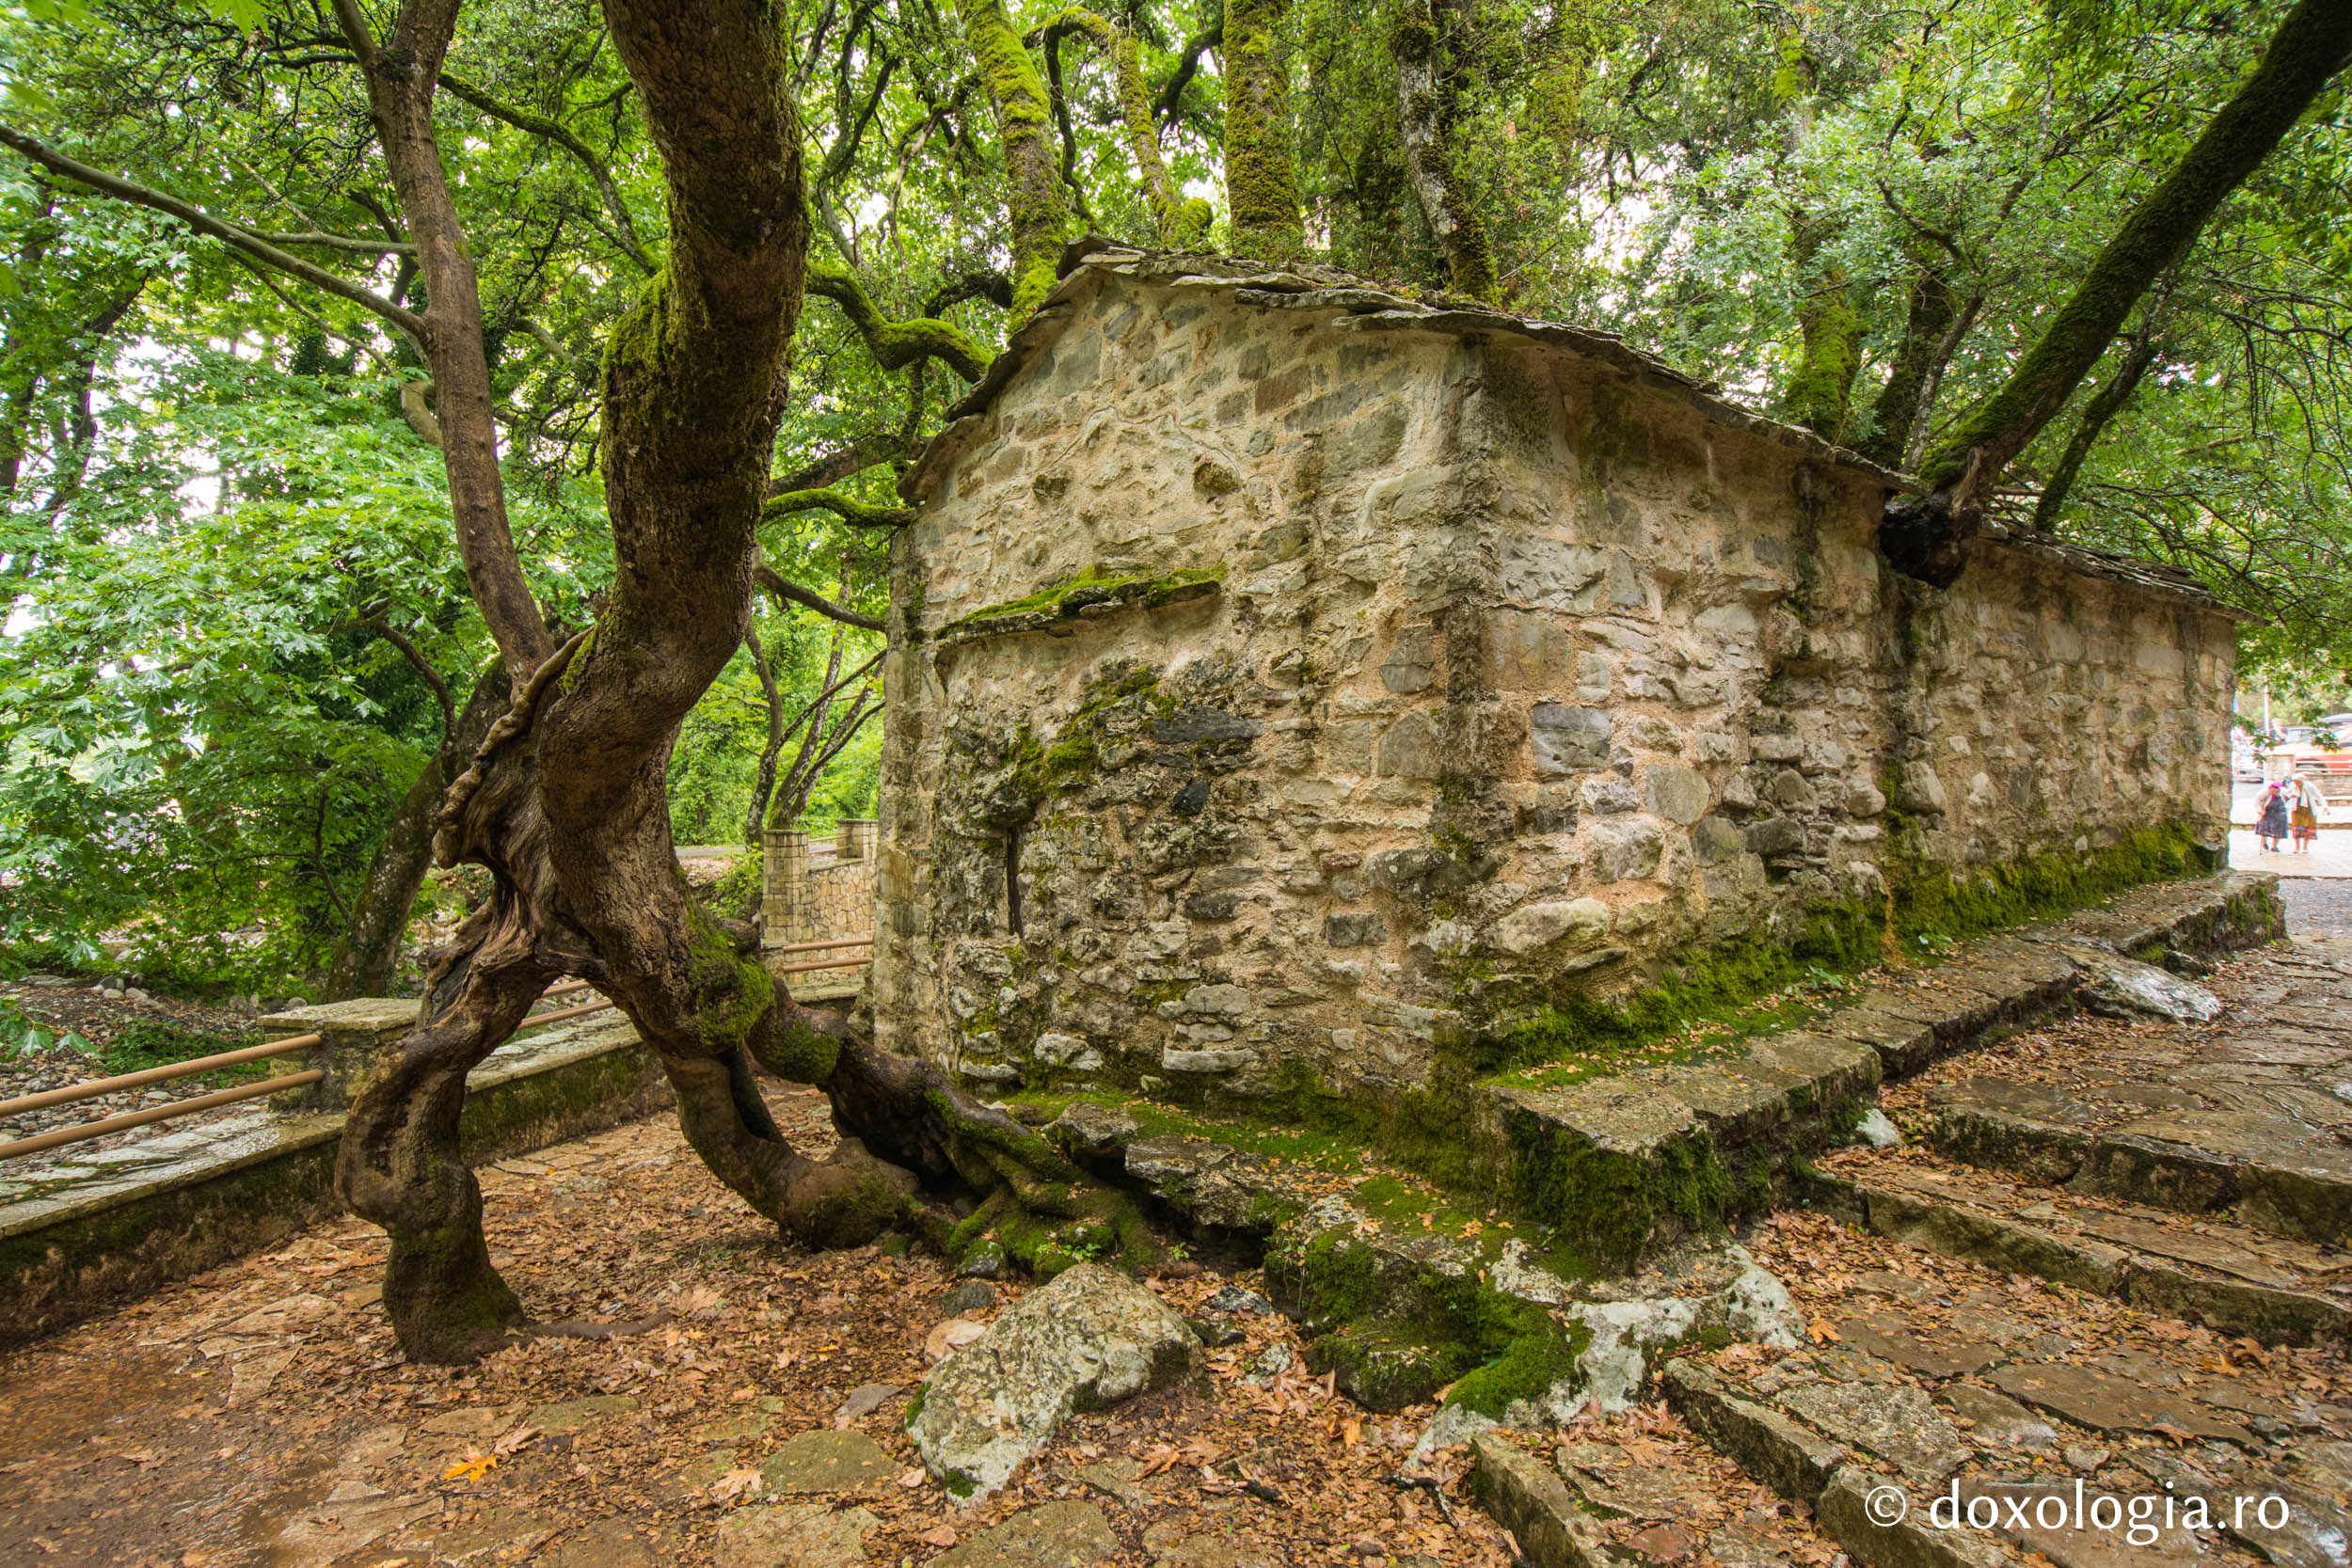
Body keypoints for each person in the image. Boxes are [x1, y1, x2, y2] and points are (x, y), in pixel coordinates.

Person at [2286, 775, 2327, 854]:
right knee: (2296, 827)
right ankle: (2297, 847)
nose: (2295, 783)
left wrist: (2324, 806)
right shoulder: (2292, 785)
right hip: (2296, 809)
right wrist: (2291, 795)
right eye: (2294, 781)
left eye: (2297, 781)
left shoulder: (2309, 786)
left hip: (2308, 809)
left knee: (2307, 828)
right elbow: (2288, 793)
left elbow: (2318, 795)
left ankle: (2305, 847)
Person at [2257, 782, 2290, 853]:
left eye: (2276, 790)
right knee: (2265, 828)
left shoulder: (2283, 791)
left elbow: (2291, 795)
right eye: (2273, 790)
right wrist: (2260, 810)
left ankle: (2274, 846)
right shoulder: (2264, 792)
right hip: (2268, 811)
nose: (2275, 791)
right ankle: (2264, 843)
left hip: (2280, 812)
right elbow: (2258, 802)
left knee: (2278, 829)